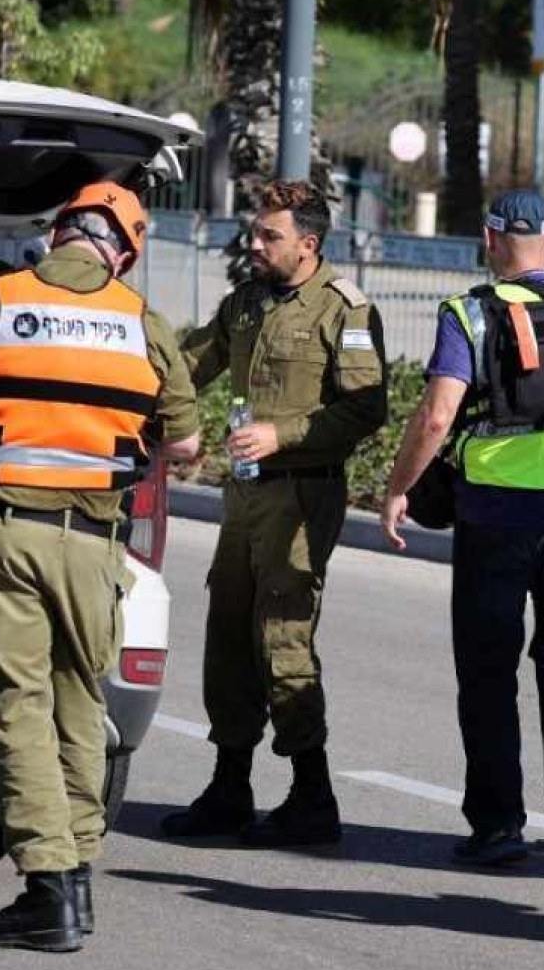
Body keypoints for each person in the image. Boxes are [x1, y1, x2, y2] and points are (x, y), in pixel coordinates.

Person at [0, 181, 200, 952]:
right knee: (78, 705)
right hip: (94, 548)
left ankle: (49, 888)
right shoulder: (143, 324)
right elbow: (185, 444)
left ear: (59, 232)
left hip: (6, 538)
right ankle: (77, 876)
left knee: (12, 706)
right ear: (124, 249)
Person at [379, 189, 544, 867]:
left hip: (493, 514)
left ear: (491, 241)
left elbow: (437, 416)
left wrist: (397, 488)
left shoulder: (469, 314)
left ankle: (499, 825)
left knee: (489, 670)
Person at [164, 179, 388, 847]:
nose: (254, 244)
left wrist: (280, 433)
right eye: (255, 233)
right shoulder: (247, 302)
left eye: (270, 236)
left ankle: (312, 795)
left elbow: (365, 409)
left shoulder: (343, 312)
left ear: (309, 244)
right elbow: (186, 367)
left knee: (282, 637)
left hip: (301, 492)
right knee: (229, 632)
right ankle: (229, 784)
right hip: (245, 494)